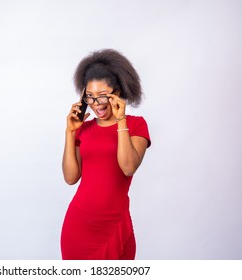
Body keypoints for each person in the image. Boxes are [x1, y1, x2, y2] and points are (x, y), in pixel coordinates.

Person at [60, 49, 151, 260]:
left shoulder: (136, 125)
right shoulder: (83, 129)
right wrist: (70, 132)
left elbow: (128, 167)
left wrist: (121, 121)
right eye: (90, 97)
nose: (97, 104)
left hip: (114, 227)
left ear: (117, 92)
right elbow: (70, 178)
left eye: (103, 96)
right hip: (78, 225)